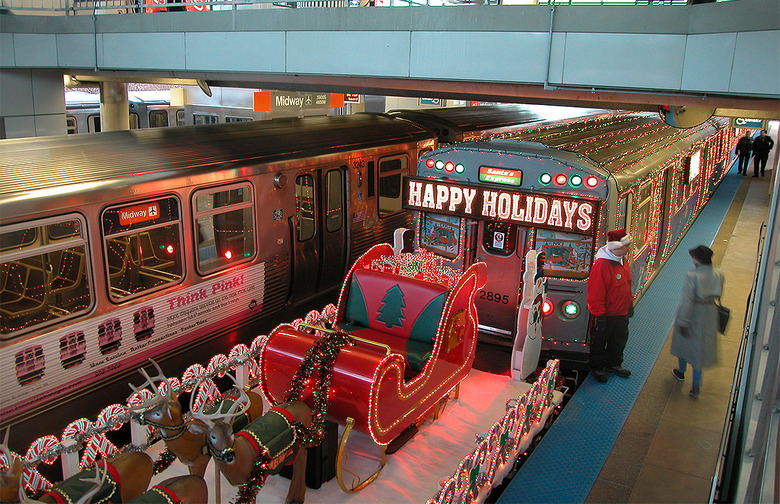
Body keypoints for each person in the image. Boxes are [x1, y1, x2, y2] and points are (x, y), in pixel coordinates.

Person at [670, 245, 724, 398]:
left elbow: (688, 302)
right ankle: (695, 386)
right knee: (700, 350)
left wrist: (683, 322)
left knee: (683, 344)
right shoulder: (719, 274)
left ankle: (681, 372)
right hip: (709, 314)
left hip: (693, 314)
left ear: (697, 259)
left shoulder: (692, 275)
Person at [586, 229, 634, 383]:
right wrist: (599, 315)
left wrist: (629, 303)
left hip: (621, 312)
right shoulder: (602, 265)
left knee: (619, 339)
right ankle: (597, 367)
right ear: (617, 247)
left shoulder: (622, 261)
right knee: (600, 342)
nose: (629, 249)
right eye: (626, 246)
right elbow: (595, 293)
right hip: (606, 314)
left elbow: (627, 284)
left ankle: (614, 364)